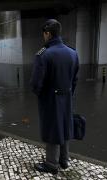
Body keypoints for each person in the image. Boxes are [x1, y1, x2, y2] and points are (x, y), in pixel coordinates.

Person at [30, 19, 79, 175]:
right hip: (67, 96)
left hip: (50, 99)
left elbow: (36, 84)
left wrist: (41, 95)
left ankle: (51, 164)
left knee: (53, 128)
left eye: (44, 34)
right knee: (65, 126)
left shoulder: (43, 55)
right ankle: (64, 160)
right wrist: (68, 93)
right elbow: (75, 79)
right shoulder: (73, 53)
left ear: (47, 33)